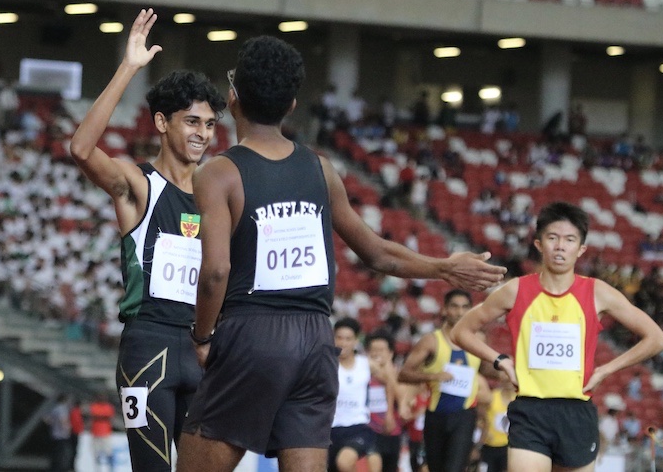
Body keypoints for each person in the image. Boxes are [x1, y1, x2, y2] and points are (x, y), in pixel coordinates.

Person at [176, 34, 506, 472]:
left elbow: (216, 271)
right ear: (292, 104)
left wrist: (201, 337)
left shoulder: (217, 173)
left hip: (251, 333)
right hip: (316, 341)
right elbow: (378, 254)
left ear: (232, 99)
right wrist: (443, 267)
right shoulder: (320, 168)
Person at [69, 9, 225, 471]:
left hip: (203, 348)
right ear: (161, 122)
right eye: (192, 122)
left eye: (210, 124)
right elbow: (81, 149)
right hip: (148, 350)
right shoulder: (139, 185)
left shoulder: (218, 196)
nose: (202, 134)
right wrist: (129, 67)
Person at [451, 201, 663, 472]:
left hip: (576, 411)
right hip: (530, 411)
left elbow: (656, 339)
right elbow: (460, 331)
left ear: (581, 249)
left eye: (569, 240)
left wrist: (606, 370)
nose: (560, 246)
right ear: (539, 244)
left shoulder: (597, 292)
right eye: (552, 238)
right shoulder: (515, 290)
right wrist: (501, 361)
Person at [398, 289, 490, 472]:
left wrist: (507, 368)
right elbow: (404, 374)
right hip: (436, 416)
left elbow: (486, 369)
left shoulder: (478, 339)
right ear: (445, 310)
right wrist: (433, 376)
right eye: (454, 306)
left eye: (465, 307)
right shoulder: (431, 341)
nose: (459, 312)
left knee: (454, 468)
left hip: (465, 415)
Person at [329, 318, 382, 472]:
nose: (343, 343)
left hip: (358, 427)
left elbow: (390, 379)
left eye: (348, 338)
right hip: (329, 430)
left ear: (356, 340)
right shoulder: (326, 365)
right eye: (339, 337)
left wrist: (396, 406)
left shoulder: (366, 364)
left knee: (344, 463)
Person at [365, 328, 406, 472]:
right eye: (373, 350)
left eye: (381, 350)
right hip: (368, 431)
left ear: (390, 353)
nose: (377, 354)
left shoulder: (398, 374)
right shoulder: (362, 374)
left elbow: (403, 399)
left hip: (392, 431)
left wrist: (388, 373)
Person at [478, 372, 516, 472]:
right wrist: (483, 434)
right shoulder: (491, 397)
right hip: (490, 445)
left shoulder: (519, 401)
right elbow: (479, 418)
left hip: (509, 447)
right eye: (505, 378)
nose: (508, 382)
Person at [45, 394, 73, 472]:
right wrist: (68, 428)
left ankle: (54, 468)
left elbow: (47, 420)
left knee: (54, 454)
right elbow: (63, 420)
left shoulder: (54, 408)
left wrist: (54, 425)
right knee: (61, 455)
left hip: (54, 434)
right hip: (62, 435)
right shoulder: (62, 409)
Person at [89, 392, 115, 471]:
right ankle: (98, 470)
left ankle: (111, 469)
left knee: (108, 453)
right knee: (96, 454)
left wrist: (100, 417)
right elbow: (94, 416)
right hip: (96, 433)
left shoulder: (108, 407)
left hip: (106, 433)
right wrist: (103, 417)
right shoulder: (94, 406)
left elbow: (109, 417)